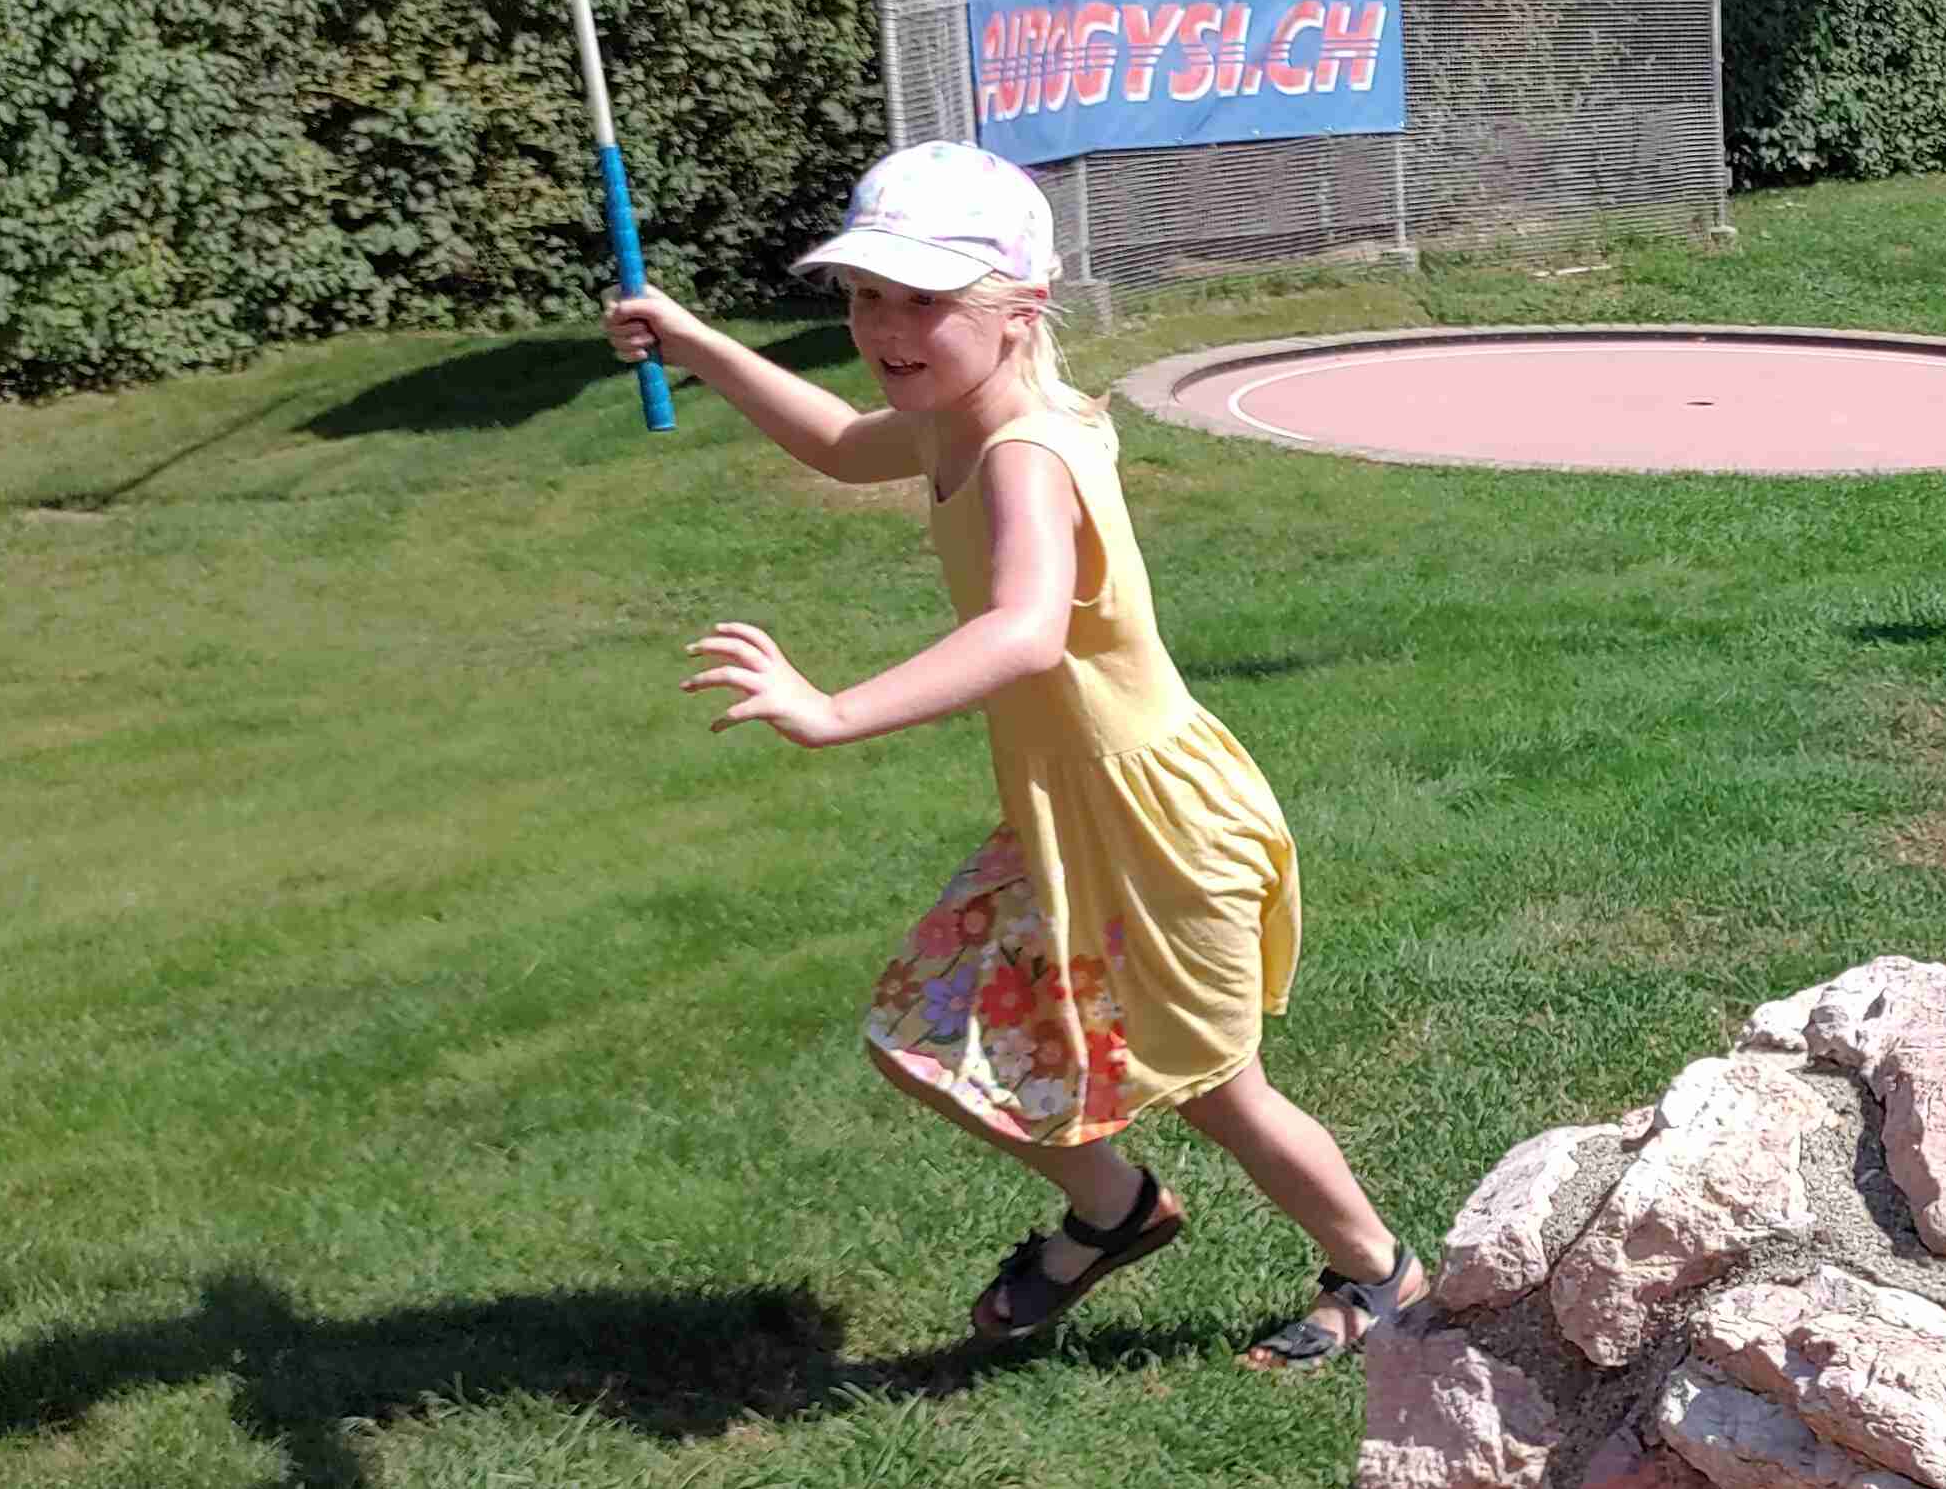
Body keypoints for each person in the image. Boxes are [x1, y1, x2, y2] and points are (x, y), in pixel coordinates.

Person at [608, 141, 1431, 1368]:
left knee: (1218, 1089)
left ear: (1020, 312)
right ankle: (1115, 1210)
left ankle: (1383, 1276)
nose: (885, 328)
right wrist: (696, 342)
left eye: (923, 301)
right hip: (1063, 815)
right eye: (865, 296)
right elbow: (834, 442)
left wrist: (834, 709)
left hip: (1157, 825)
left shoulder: (1027, 451)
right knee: (921, 1032)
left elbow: (1025, 628)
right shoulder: (949, 423)